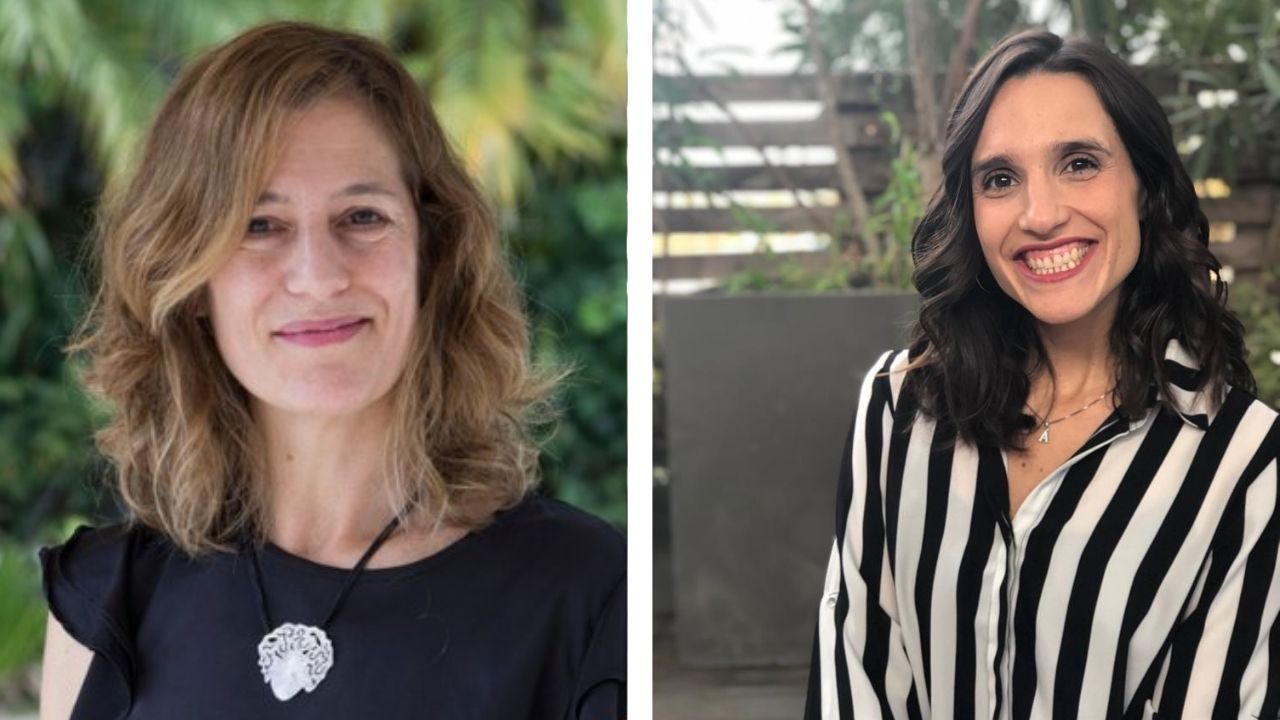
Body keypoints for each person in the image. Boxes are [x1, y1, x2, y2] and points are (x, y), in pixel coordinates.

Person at [39, 21, 624, 720]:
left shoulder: (588, 595)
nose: (318, 278)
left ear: (431, 255)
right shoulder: (103, 598)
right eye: (259, 225)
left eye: (362, 216)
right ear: (189, 280)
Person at [805, 29, 1278, 720]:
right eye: (1000, 179)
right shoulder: (897, 406)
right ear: (971, 210)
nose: (1041, 215)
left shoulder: (1248, 467)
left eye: (1079, 163)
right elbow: (855, 672)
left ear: (1145, 186)